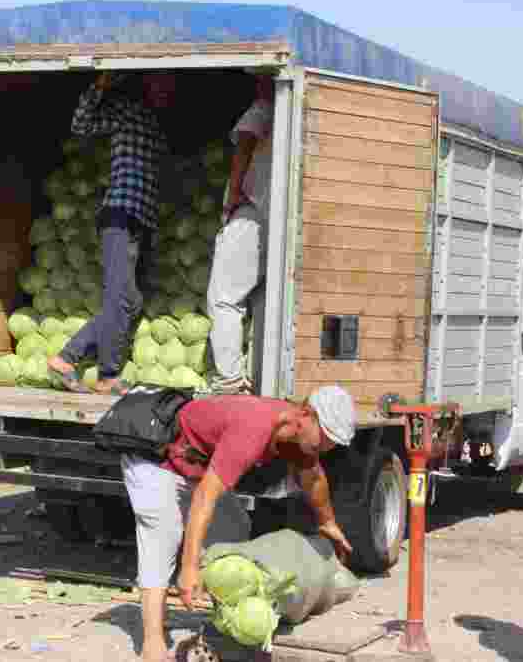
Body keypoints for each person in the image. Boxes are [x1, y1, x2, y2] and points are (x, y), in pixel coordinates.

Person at [123, 385, 355, 662]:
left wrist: (328, 522)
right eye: (323, 439)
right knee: (163, 534)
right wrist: (189, 567)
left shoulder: (298, 436)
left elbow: (313, 478)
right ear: (305, 414)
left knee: (234, 528)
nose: (324, 448)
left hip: (193, 466)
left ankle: (227, 621)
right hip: (155, 462)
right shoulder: (253, 429)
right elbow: (204, 499)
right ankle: (152, 641)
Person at [48, 71, 175, 396]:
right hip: (119, 215)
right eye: (160, 84)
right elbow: (81, 124)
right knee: (119, 299)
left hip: (140, 222)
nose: (165, 90)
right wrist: (99, 87)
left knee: (131, 304)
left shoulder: (159, 128)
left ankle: (66, 358)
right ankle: (107, 374)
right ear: (147, 86)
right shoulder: (127, 111)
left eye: (169, 86)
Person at [206, 75, 275, 395]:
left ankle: (230, 378)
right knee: (261, 301)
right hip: (275, 219)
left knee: (225, 298)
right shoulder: (287, 117)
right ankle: (254, 374)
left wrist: (233, 194)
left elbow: (244, 144)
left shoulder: (262, 109)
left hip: (250, 212)